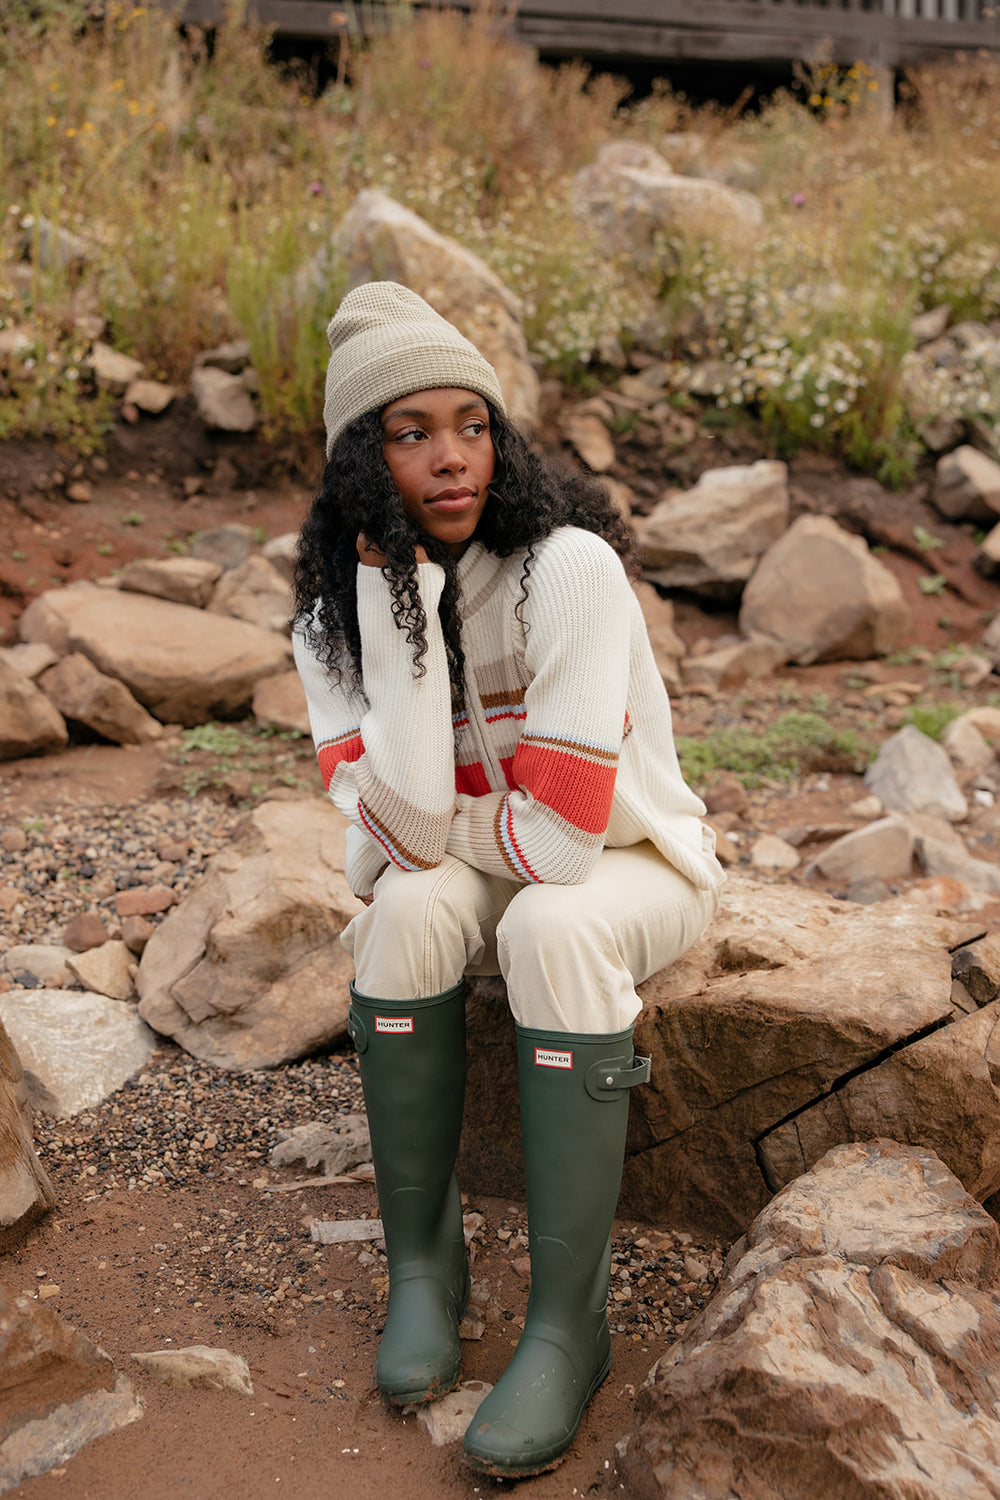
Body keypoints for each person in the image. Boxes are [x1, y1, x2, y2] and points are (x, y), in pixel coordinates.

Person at [292, 281, 725, 1478]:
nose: (451, 457)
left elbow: (568, 846)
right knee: (405, 916)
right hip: (503, 853)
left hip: (638, 865)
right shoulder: (333, 626)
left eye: (471, 424)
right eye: (410, 432)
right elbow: (398, 848)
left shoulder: (567, 570)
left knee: (549, 926)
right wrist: (398, 608)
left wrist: (437, 829)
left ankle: (566, 1328)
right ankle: (424, 1276)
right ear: (361, 462)